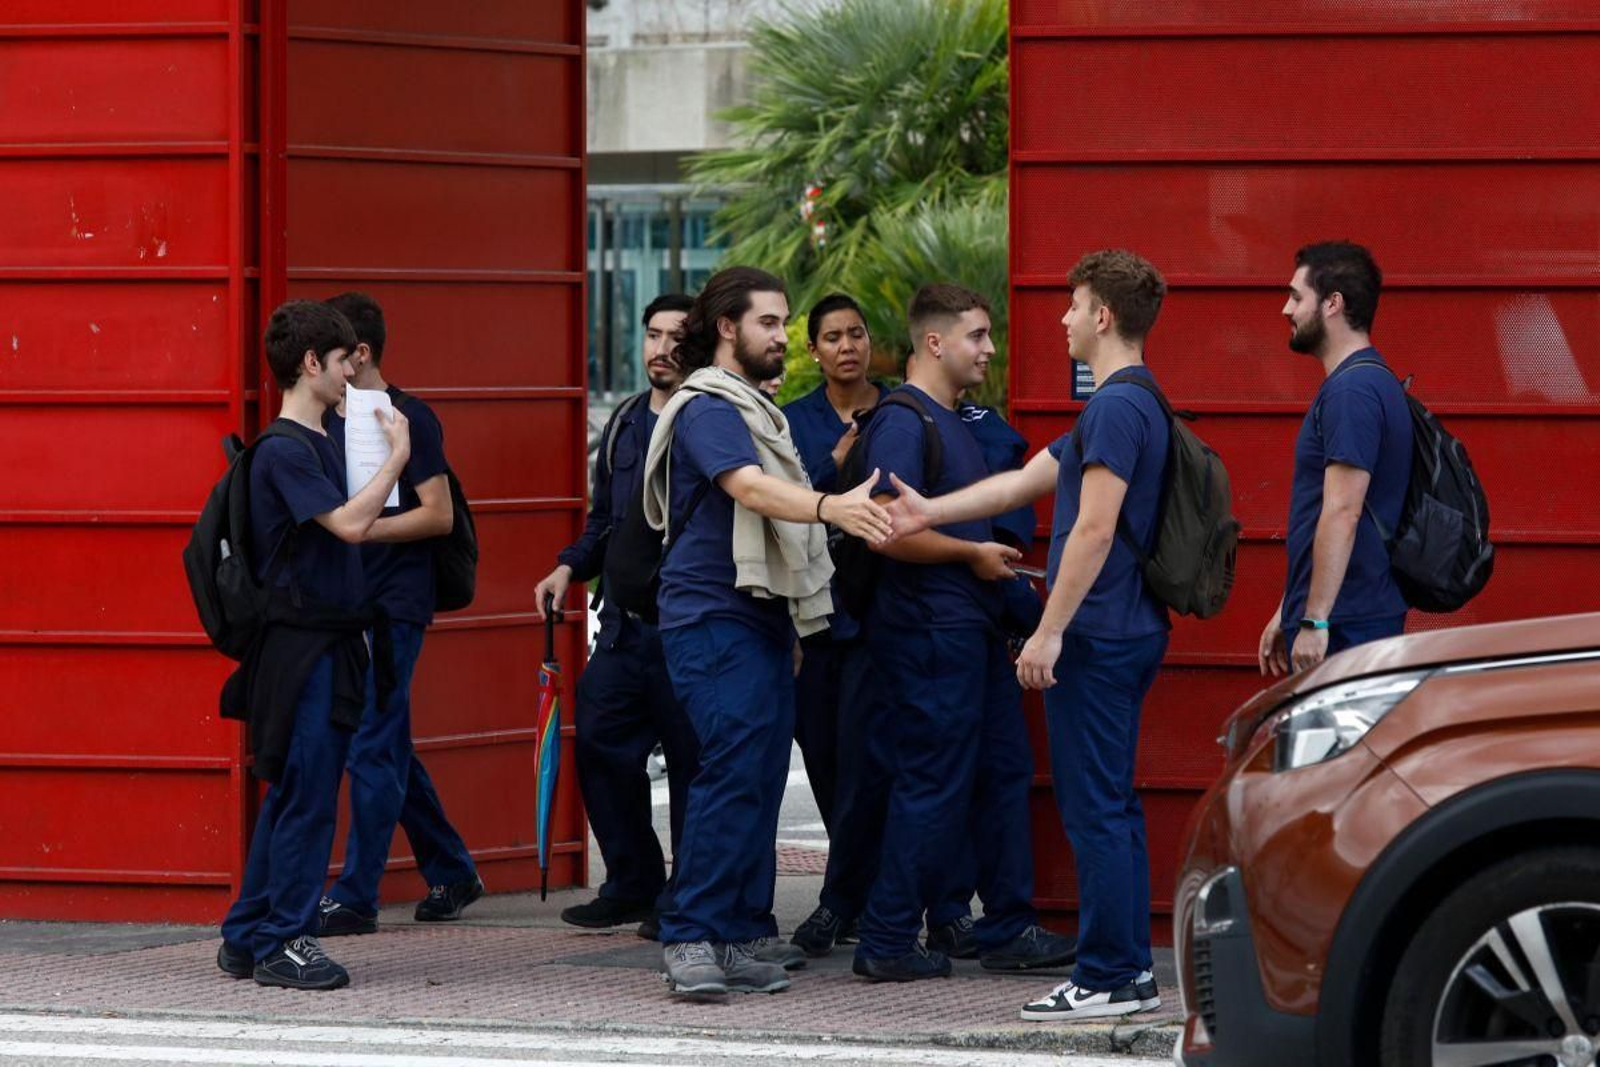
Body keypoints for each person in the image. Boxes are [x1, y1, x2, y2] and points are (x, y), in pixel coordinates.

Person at [883, 252, 1172, 1019]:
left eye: (1074, 305)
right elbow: (1023, 482)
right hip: (1124, 629)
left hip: (1102, 634)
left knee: (1095, 808)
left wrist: (1047, 631)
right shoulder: (1126, 402)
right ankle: (1130, 969)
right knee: (1112, 802)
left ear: (1104, 317)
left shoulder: (1116, 408)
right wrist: (927, 512)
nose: (1064, 319)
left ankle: (1110, 974)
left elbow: (1094, 529)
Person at [642, 267, 892, 996]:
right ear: (727, 327)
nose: (784, 337)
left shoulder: (754, 405)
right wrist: (831, 507)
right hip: (710, 614)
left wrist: (786, 624)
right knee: (728, 773)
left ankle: (722, 934)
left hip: (758, 615)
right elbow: (747, 486)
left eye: (784, 323)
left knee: (751, 779)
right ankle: (688, 934)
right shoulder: (708, 407)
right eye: (770, 323)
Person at [850, 283, 1074, 983]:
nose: (989, 349)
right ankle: (886, 938)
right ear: (935, 342)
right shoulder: (900, 422)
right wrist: (969, 554)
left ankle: (1006, 925)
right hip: (928, 633)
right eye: (977, 336)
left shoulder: (954, 422)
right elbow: (885, 531)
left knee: (1003, 771)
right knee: (932, 781)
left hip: (969, 630)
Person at [215, 300, 410, 990]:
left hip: (318, 643)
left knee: (294, 791)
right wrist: (398, 459)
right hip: (304, 649)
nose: (351, 372)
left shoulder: (319, 439)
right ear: (309, 365)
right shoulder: (286, 449)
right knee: (309, 795)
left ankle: (247, 932)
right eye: (341, 361)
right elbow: (351, 526)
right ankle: (282, 938)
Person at [314, 293, 484, 938]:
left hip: (394, 605)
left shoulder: (413, 419)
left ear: (359, 354)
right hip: (344, 604)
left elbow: (437, 515)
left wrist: (360, 533)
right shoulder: (327, 422)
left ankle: (357, 894)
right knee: (386, 742)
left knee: (371, 743)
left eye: (329, 351)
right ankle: (452, 868)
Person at [533, 294, 701, 939]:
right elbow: (605, 522)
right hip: (626, 627)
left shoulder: (709, 420)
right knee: (600, 745)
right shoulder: (627, 421)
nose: (661, 349)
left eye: (675, 337)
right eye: (652, 335)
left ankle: (686, 899)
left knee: (693, 767)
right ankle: (632, 881)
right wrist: (569, 568)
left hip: (689, 628)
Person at [781, 293, 887, 955]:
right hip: (813, 618)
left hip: (880, 615)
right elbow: (783, 509)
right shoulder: (790, 422)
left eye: (855, 333)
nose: (846, 345)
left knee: (873, 765)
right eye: (832, 337)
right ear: (814, 350)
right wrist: (835, 463)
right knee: (823, 757)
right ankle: (851, 894)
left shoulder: (902, 409)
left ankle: (847, 899)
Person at [1259, 241, 1411, 676]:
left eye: (1295, 296)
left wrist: (1315, 618)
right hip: (1344, 616)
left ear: (1332, 304)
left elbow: (1343, 511)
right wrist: (1291, 604)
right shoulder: (1364, 381)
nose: (1286, 309)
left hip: (1347, 626)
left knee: (1338, 747)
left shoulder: (1353, 393)